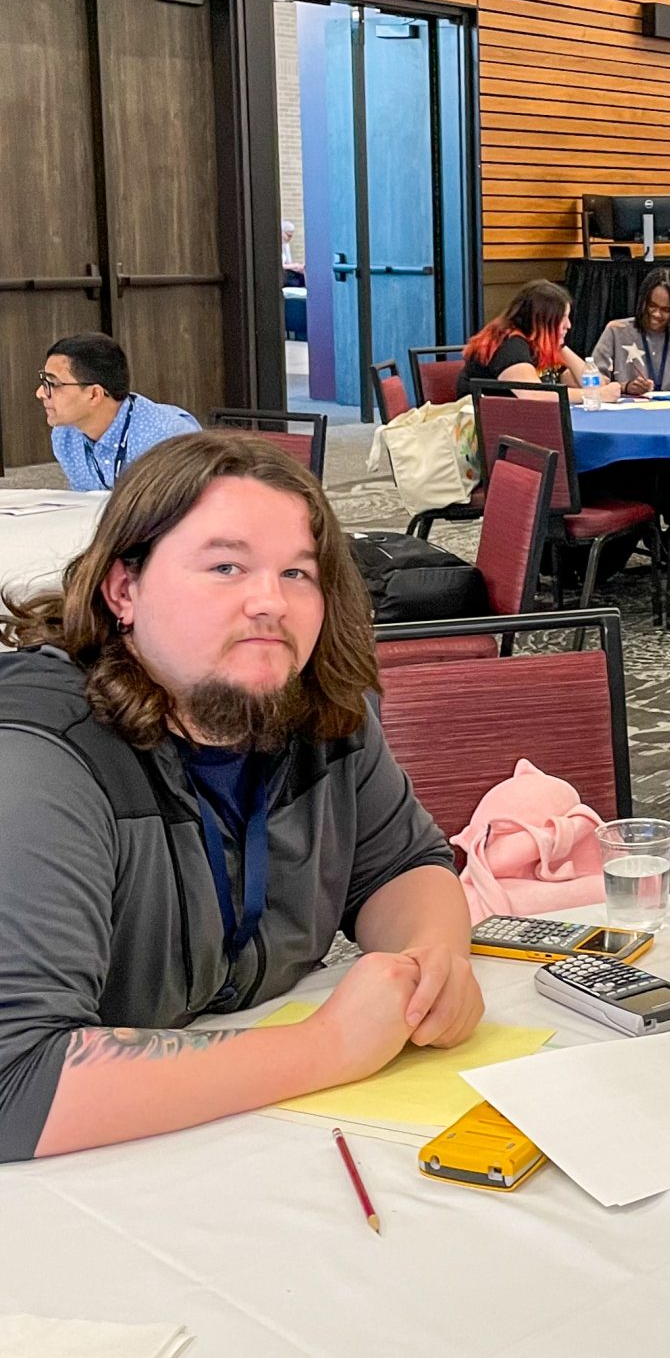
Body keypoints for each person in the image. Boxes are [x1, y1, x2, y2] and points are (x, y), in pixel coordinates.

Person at [0, 432, 482, 1161]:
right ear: (123, 589)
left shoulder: (314, 705)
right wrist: (324, 1046)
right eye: (226, 566)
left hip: (236, 1141)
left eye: (297, 572)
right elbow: (15, 1082)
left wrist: (432, 961)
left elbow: (401, 863)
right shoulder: (41, 759)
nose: (270, 602)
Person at [40, 333, 200, 493]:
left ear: (95, 394)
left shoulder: (166, 440)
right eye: (43, 383)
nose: (40, 393)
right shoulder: (64, 435)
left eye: (52, 384)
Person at [456, 280, 598, 400]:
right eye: (562, 318)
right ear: (542, 321)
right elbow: (534, 394)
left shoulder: (539, 344)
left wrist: (561, 346)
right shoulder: (510, 345)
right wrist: (593, 395)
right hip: (488, 427)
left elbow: (591, 382)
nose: (568, 325)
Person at [590, 267, 670, 396]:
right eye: (652, 306)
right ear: (643, 301)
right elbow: (592, 382)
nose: (657, 314)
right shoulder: (616, 331)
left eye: (666, 309)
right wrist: (625, 387)